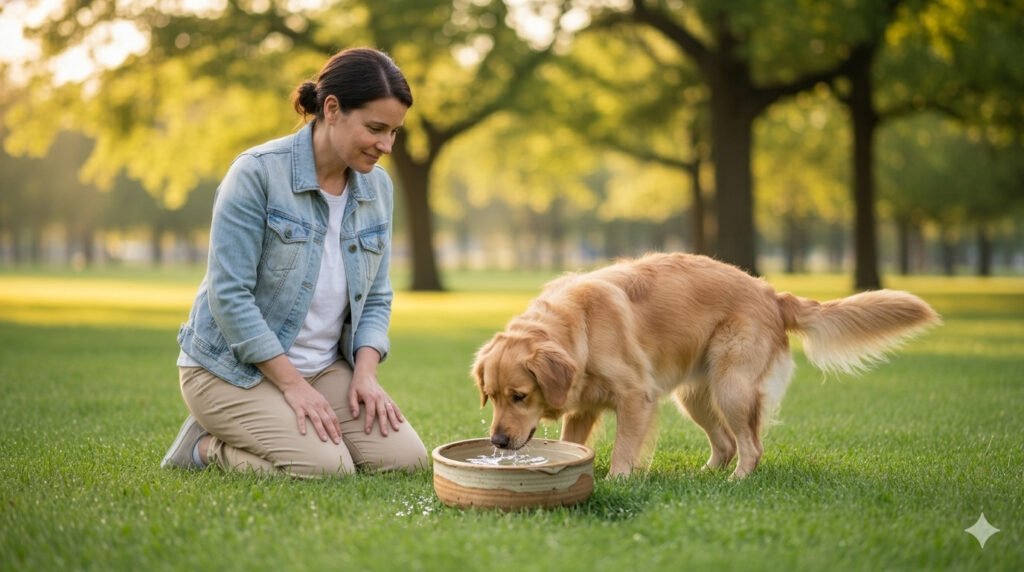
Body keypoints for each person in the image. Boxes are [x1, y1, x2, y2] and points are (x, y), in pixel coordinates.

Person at [161, 48, 428, 477]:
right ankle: (205, 447)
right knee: (328, 469)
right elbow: (229, 296)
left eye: (394, 132)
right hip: (231, 370)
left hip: (323, 368)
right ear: (332, 109)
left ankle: (289, 425)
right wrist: (292, 386)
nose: (387, 145)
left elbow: (377, 296)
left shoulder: (378, 188)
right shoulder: (257, 174)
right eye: (376, 128)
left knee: (406, 461)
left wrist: (365, 375)